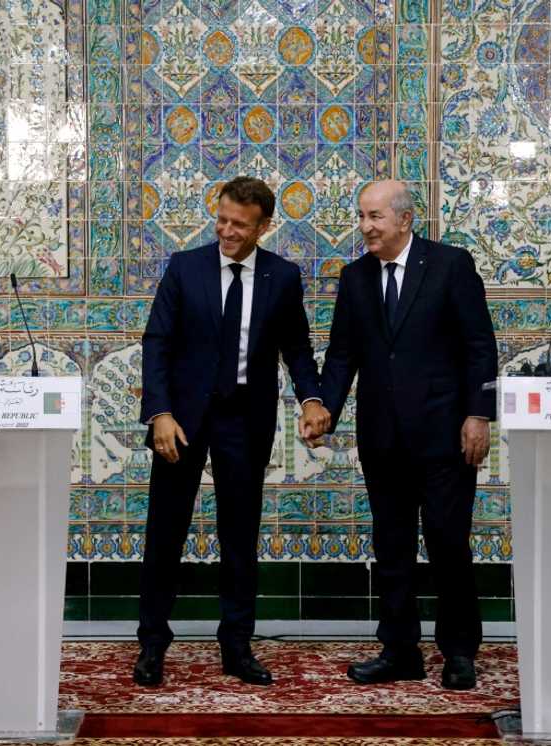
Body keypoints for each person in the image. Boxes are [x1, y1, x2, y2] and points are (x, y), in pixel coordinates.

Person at [135, 176, 332, 687]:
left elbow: (298, 349)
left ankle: (237, 646)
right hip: (181, 419)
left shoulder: (282, 277)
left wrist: (312, 399)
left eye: (239, 225)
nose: (226, 231)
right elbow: (156, 343)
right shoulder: (184, 268)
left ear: (264, 227)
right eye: (221, 219)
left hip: (245, 417)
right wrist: (159, 412)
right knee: (165, 532)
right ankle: (152, 643)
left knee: (240, 535)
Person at [312, 179, 497, 690]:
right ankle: (399, 651)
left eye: (375, 217)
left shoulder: (449, 265)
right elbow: (343, 354)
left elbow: (480, 345)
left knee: (447, 546)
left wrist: (479, 414)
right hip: (382, 439)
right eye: (362, 216)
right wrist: (323, 407)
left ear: (405, 219)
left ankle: (459, 652)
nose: (366, 227)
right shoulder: (354, 278)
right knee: (391, 549)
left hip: (445, 437)